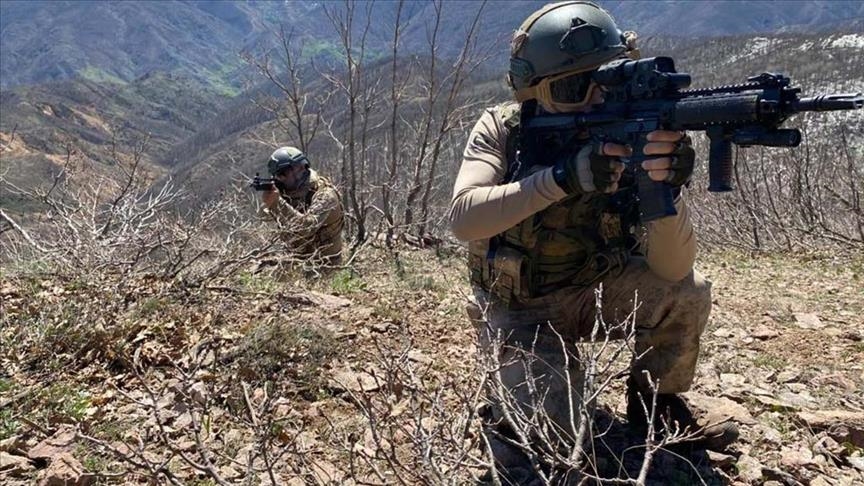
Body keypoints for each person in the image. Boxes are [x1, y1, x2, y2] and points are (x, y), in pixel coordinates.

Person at [448, 1, 738, 480]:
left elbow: (672, 271)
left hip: (595, 291)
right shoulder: (504, 128)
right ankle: (512, 403)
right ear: (531, 91)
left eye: (606, 81)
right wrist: (562, 179)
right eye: (573, 88)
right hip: (518, 307)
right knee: (554, 443)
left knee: (689, 291)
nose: (594, 101)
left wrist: (665, 188)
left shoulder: (633, 132)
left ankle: (655, 402)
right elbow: (464, 218)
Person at [260, 146, 344, 266]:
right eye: (277, 175)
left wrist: (278, 203)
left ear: (300, 168)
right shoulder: (288, 191)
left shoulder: (325, 195)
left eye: (283, 173)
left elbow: (307, 227)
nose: (280, 178)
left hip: (325, 265)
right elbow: (264, 218)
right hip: (297, 260)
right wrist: (270, 202)